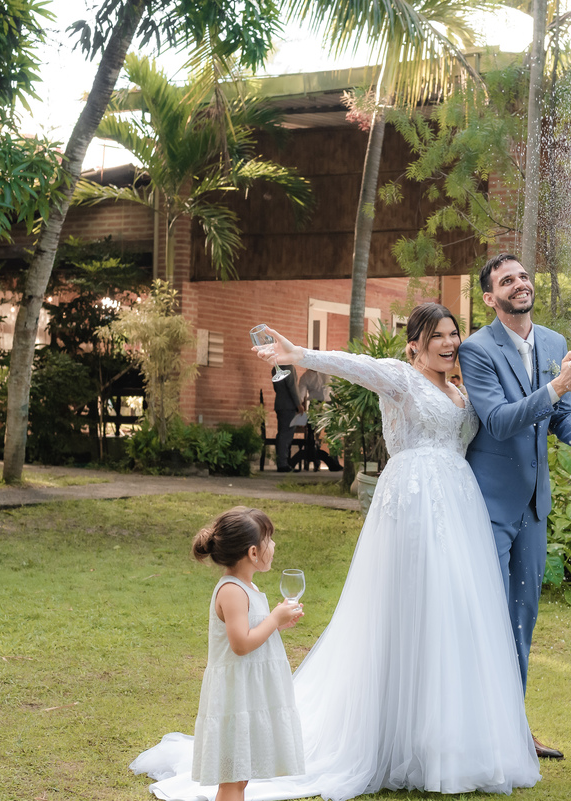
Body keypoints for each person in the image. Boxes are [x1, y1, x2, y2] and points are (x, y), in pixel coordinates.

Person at [134, 302, 541, 801]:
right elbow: (353, 364)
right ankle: (389, 741)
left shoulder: (460, 390)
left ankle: (447, 744)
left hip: (459, 507)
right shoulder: (399, 376)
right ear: (414, 343)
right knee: (409, 615)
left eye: (454, 333)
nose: (450, 342)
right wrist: (299, 352)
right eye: (438, 335)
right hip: (413, 505)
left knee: (454, 616)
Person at [458, 253, 571, 761]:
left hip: (534, 507)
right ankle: (478, 731)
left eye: (522, 276)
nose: (519, 284)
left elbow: (559, 418)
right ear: (489, 297)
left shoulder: (556, 343)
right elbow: (497, 421)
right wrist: (557, 386)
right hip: (490, 505)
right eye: (507, 280)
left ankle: (513, 729)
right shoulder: (476, 350)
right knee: (488, 618)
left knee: (523, 619)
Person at [133, 507, 306, 801]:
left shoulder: (247, 586)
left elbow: (251, 632)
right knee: (233, 780)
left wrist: (276, 624)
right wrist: (273, 619)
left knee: (241, 776)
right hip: (235, 696)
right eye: (270, 540)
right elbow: (240, 644)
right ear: (253, 552)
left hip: (248, 693)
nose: (274, 546)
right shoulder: (232, 591)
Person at [272, 365, 301, 473]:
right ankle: (283, 463)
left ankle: (281, 461)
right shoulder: (289, 368)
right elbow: (293, 387)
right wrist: (299, 404)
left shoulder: (275, 368)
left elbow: (276, 387)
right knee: (286, 434)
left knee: (281, 433)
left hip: (279, 403)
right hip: (289, 405)